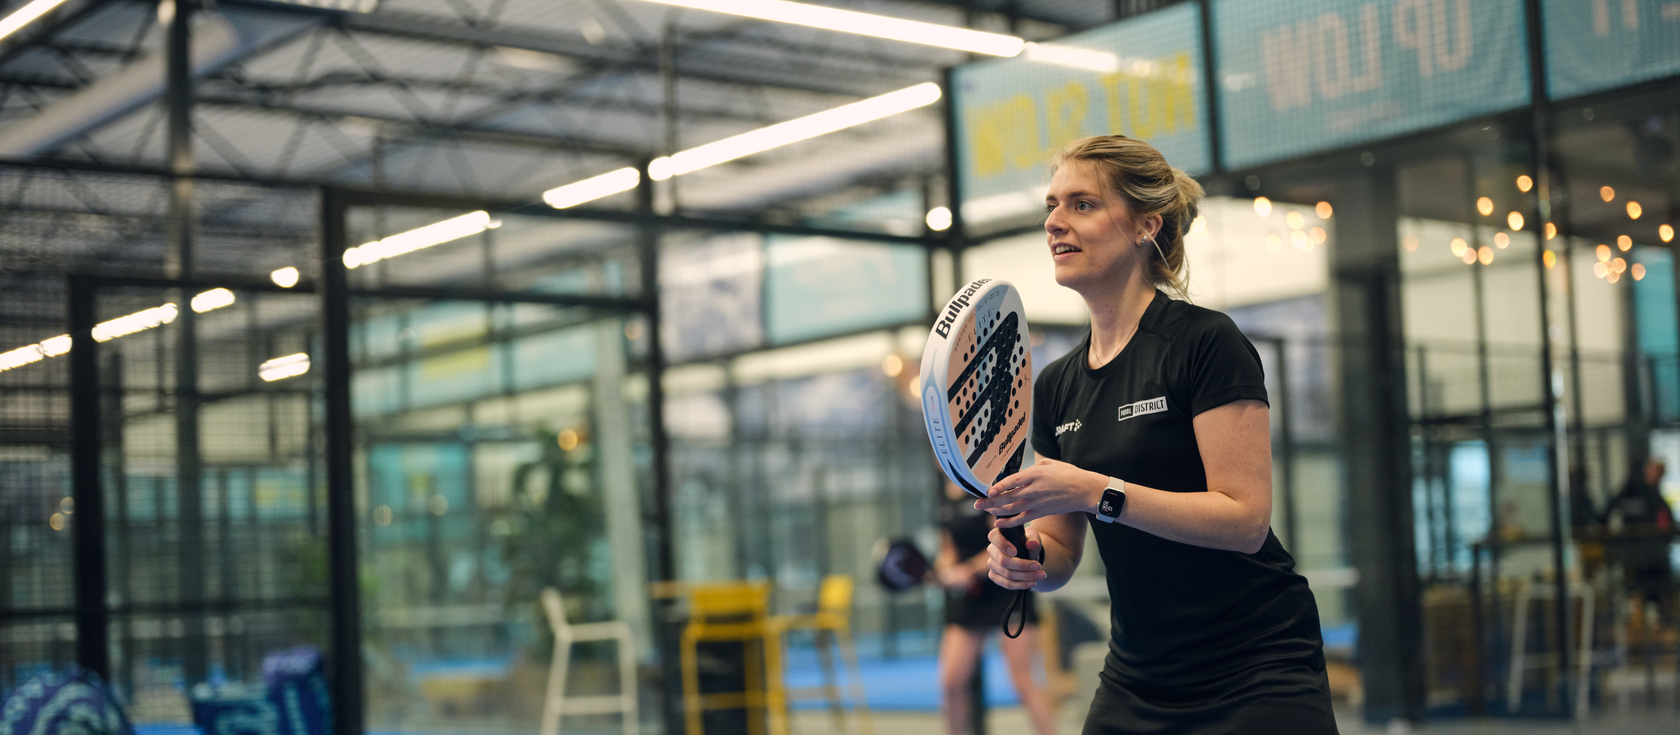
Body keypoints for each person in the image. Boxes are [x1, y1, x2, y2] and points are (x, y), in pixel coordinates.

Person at [977, 135, 1337, 734]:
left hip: (1256, 666)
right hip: (1138, 675)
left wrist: (1095, 491)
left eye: (1082, 204)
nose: (1054, 222)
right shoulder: (1058, 385)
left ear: (1146, 225)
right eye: (1051, 205)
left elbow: (1245, 521)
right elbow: (1061, 551)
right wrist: (1030, 557)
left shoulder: (1205, 342)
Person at [936, 481, 1057, 735]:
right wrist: (945, 570)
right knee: (950, 682)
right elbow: (948, 549)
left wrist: (969, 570)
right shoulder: (943, 495)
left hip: (1006, 588)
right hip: (970, 598)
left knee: (1023, 681)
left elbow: (1004, 541)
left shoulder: (983, 484)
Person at [1602, 458, 1675, 614]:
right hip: (1642, 557)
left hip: (1643, 556)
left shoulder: (1640, 494)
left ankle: (1660, 619)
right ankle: (1655, 619)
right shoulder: (1647, 495)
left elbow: (1668, 524)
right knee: (1647, 591)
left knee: (1655, 590)